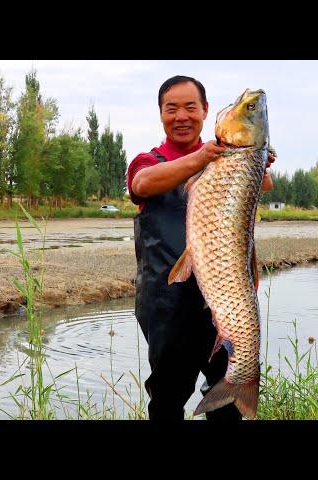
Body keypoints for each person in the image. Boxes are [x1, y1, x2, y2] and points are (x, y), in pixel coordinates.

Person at [127, 75, 275, 421]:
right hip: (166, 306)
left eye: (190, 107)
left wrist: (257, 161)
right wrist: (203, 158)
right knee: (167, 398)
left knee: (225, 404)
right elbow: (141, 184)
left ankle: (238, 394)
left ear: (206, 111)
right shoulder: (148, 161)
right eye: (172, 108)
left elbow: (265, 183)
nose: (182, 116)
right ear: (161, 114)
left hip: (224, 298)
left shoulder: (225, 158)